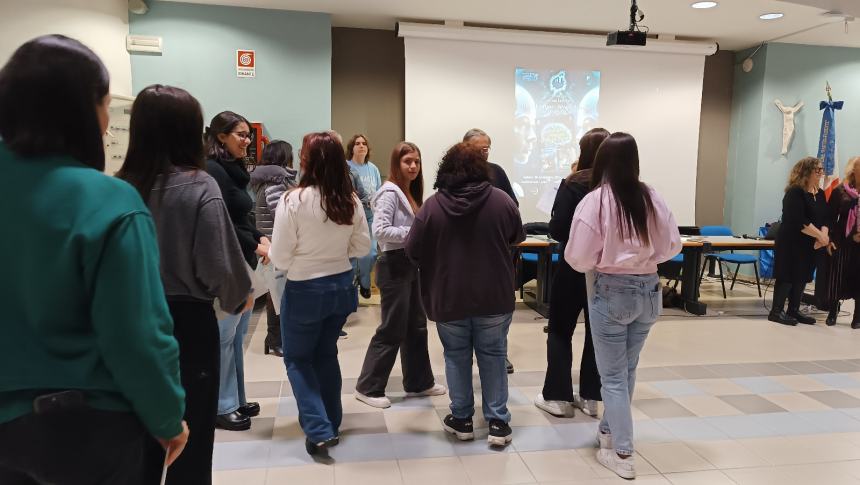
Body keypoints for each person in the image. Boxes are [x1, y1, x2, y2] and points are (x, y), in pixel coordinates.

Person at [0, 35, 188, 483]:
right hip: (86, 428)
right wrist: (167, 418)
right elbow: (136, 333)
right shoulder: (107, 201)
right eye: (104, 105)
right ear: (84, 111)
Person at [117, 84, 253, 484]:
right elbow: (222, 270)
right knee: (191, 438)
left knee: (139, 433)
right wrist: (239, 296)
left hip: (131, 320)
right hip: (187, 323)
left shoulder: (121, 185)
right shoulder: (199, 185)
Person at [565, 132, 681, 480]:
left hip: (612, 292)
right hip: (649, 290)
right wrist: (643, 260)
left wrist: (609, 261)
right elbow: (672, 245)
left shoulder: (596, 201)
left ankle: (623, 453)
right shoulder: (652, 197)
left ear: (601, 161)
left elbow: (578, 256)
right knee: (627, 371)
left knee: (613, 377)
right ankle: (607, 431)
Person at [405, 142, 525, 447]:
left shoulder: (432, 206)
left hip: (448, 296)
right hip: (495, 295)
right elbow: (517, 238)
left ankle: (462, 419)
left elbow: (412, 250)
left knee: (456, 357)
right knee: (494, 355)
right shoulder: (501, 201)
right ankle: (498, 422)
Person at [269, 131, 370, 456]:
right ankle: (332, 422)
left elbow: (281, 258)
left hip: (304, 289)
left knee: (298, 360)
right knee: (326, 355)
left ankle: (318, 428)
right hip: (341, 287)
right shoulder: (349, 199)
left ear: (307, 160)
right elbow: (363, 247)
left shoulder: (293, 200)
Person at [354, 142, 447, 409]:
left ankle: (419, 381)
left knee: (416, 326)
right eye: (408, 161)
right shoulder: (389, 192)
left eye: (417, 161)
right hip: (393, 264)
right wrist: (415, 235)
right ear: (397, 163)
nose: (413, 166)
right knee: (392, 327)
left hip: (410, 264)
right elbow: (380, 230)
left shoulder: (408, 193)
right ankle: (368, 386)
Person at [535, 128, 609, 419]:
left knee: (560, 330)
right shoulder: (616, 185)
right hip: (604, 270)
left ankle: (558, 397)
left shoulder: (574, 183)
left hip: (572, 265)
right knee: (596, 333)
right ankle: (591, 398)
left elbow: (556, 229)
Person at [205, 111, 270, 431]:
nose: (247, 141)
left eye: (248, 135)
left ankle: (236, 398)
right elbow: (223, 221)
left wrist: (259, 237)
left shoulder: (231, 168)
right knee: (224, 337)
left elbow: (241, 216)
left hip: (242, 259)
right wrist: (255, 243)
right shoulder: (212, 171)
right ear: (220, 137)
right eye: (240, 135)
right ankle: (222, 405)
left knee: (236, 336)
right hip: (228, 263)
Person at [463, 128, 519, 375]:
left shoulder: (497, 172)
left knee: (497, 309)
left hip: (496, 251)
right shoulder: (456, 173)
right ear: (465, 147)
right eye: (479, 148)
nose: (484, 153)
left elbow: (512, 206)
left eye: (487, 148)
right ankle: (467, 353)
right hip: (465, 253)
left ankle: (499, 353)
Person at [250, 140, 298, 357]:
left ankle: (276, 338)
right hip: (275, 246)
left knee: (276, 293)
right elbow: (283, 214)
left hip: (270, 244)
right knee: (277, 294)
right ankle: (275, 338)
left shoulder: (267, 181)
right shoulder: (276, 183)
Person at [770, 157, 830, 326]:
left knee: (802, 276)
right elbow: (799, 220)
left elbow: (826, 217)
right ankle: (776, 311)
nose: (820, 173)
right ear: (806, 171)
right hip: (791, 242)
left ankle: (793, 310)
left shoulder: (820, 193)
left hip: (810, 244)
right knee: (787, 275)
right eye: (817, 170)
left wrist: (823, 236)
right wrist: (821, 236)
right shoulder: (795, 191)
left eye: (821, 170)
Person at [821, 157, 860, 327]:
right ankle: (832, 312)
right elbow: (829, 218)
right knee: (837, 277)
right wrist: (828, 240)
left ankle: (857, 317)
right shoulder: (840, 191)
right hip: (841, 240)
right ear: (853, 170)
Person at [346, 134, 382, 299]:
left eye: (364, 143)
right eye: (357, 143)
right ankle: (352, 287)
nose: (361, 146)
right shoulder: (346, 166)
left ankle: (365, 282)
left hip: (371, 215)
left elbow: (380, 192)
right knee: (353, 253)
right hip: (351, 215)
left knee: (371, 252)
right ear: (351, 148)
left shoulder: (373, 168)